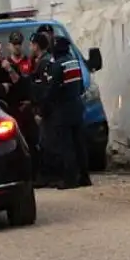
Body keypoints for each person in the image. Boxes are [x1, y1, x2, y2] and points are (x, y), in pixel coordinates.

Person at [39, 35, 92, 189]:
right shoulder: (74, 62)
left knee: (66, 145)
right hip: (77, 107)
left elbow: (52, 90)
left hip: (63, 110)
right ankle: (84, 177)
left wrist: (43, 107)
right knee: (79, 144)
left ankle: (70, 179)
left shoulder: (57, 66)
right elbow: (81, 86)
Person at [28, 32, 61, 187]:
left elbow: (44, 89)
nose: (30, 47)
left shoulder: (44, 63)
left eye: (31, 44)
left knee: (47, 143)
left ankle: (50, 176)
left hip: (47, 111)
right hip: (44, 109)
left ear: (36, 45)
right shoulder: (39, 61)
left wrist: (40, 112)